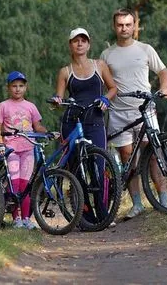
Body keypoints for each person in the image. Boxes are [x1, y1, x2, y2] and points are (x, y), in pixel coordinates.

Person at [100, 8, 167, 219]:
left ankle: (165, 202)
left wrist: (164, 87)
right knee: (127, 158)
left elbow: (163, 72)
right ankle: (137, 204)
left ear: (134, 26)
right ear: (115, 27)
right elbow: (101, 82)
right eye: (120, 24)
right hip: (119, 112)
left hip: (145, 108)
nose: (124, 28)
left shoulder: (145, 49)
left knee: (153, 155)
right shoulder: (106, 55)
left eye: (128, 24)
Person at [52, 27, 118, 224]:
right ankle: (85, 217)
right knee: (77, 171)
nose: (79, 44)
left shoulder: (100, 65)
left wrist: (105, 99)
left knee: (98, 167)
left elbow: (113, 87)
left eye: (83, 40)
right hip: (72, 123)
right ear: (70, 45)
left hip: (95, 121)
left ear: (89, 44)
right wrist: (56, 101)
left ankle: (103, 214)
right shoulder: (65, 71)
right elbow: (59, 97)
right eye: (75, 41)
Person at [0, 71, 53, 230]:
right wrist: (1, 144)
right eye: (14, 86)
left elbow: (37, 125)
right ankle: (16, 218)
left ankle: (26, 218)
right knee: (15, 184)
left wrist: (45, 132)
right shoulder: (4, 105)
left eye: (21, 86)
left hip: (28, 149)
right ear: (8, 88)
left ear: (25, 87)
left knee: (26, 185)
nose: (17, 89)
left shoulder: (30, 106)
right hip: (11, 149)